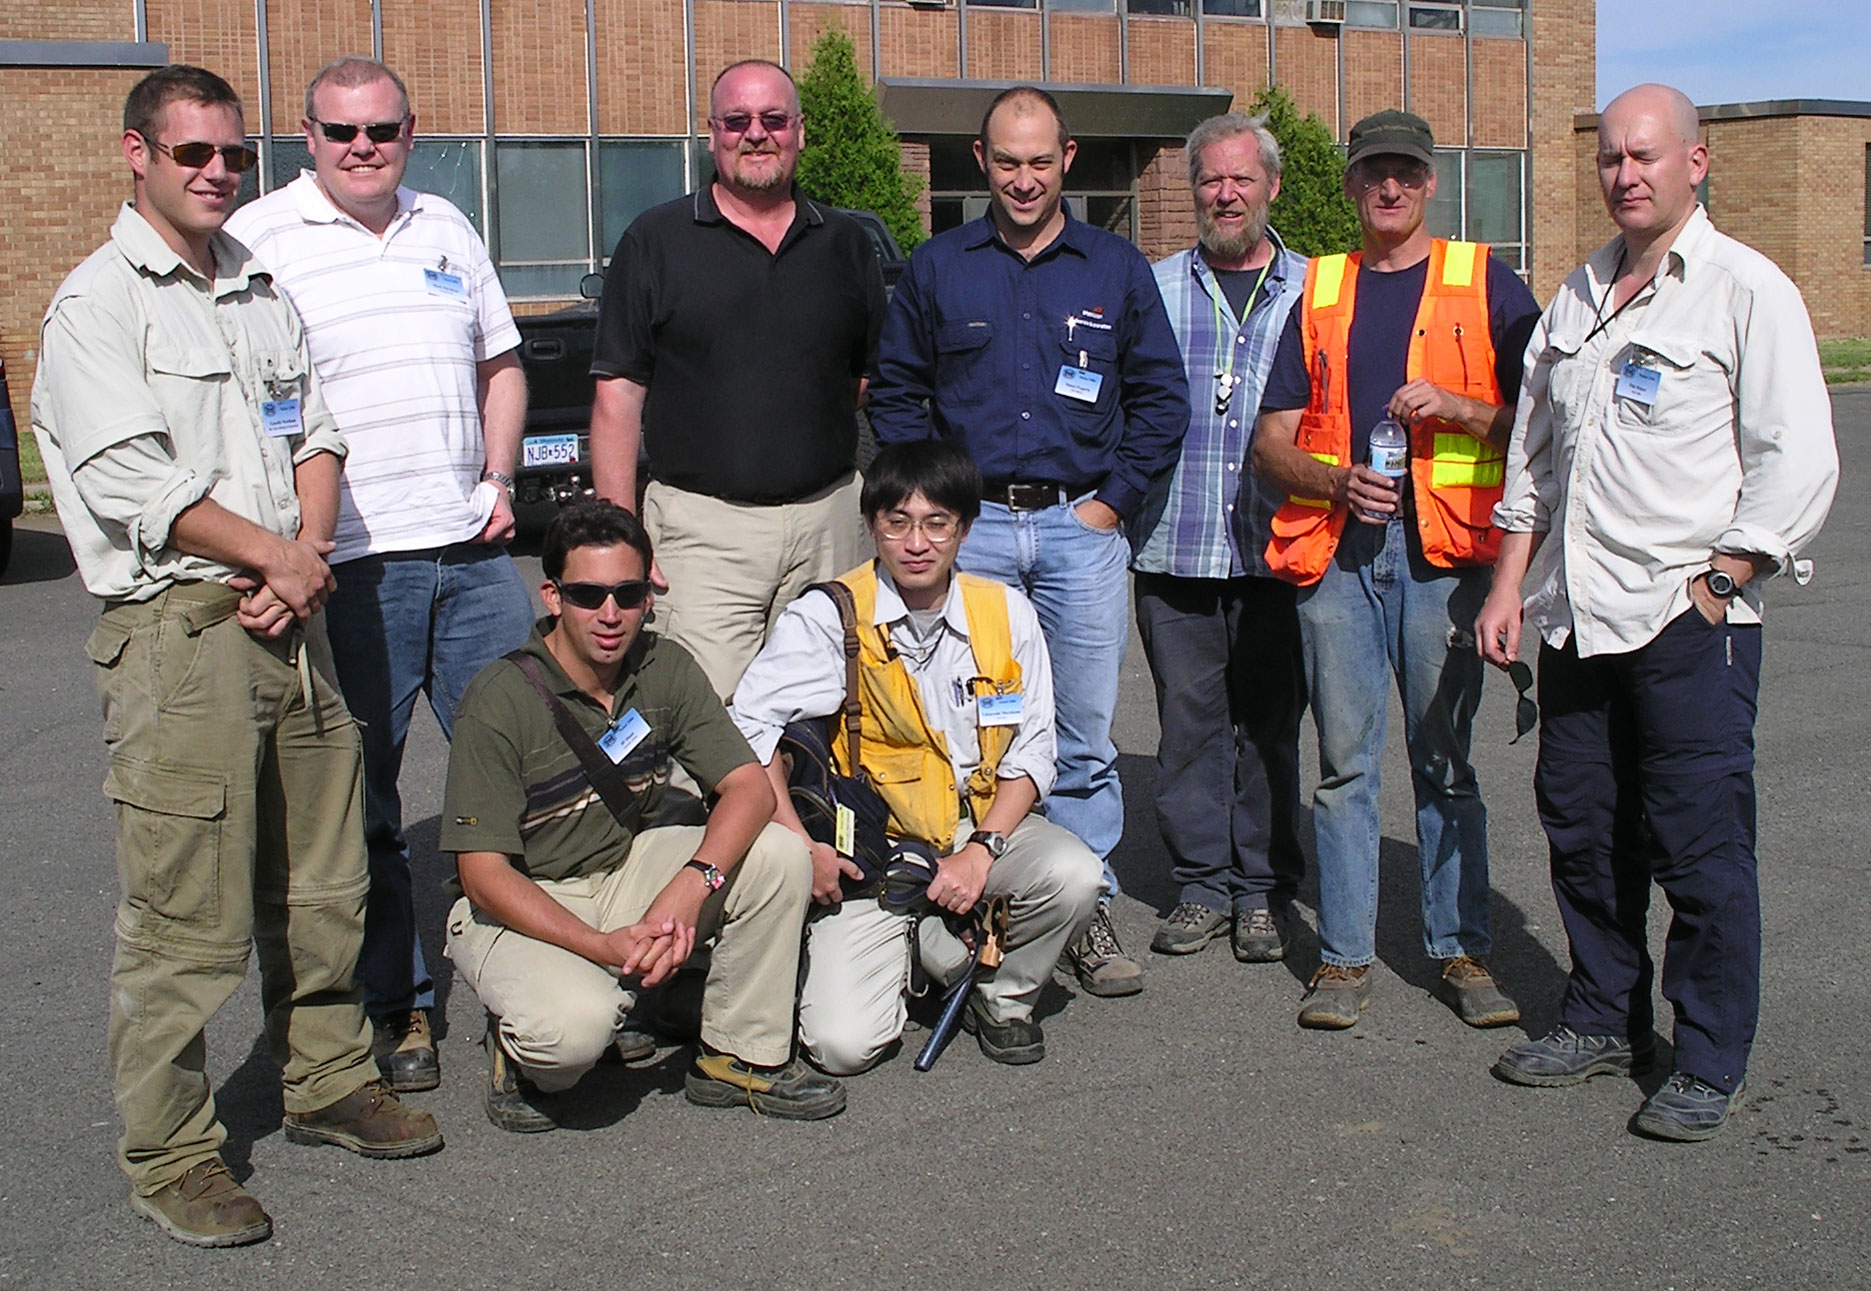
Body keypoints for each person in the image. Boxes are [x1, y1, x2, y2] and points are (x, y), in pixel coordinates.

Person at [30, 65, 440, 1249]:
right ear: (136, 157)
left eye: (232, 155)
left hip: (288, 618)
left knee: (323, 885)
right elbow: (132, 482)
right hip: (185, 630)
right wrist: (279, 558)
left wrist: (305, 553)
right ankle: (171, 1149)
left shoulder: (258, 289)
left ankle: (322, 1081)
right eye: (191, 153)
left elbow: (312, 427)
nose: (216, 172)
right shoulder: (99, 305)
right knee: (185, 913)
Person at [1479, 84, 1838, 1141]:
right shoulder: (1577, 296)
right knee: (1583, 833)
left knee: (1695, 848)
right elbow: (1531, 456)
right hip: (1577, 619)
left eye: (1644, 155)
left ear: (1697, 161)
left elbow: (1798, 458)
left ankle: (1707, 1057)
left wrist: (1723, 579)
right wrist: (1507, 582)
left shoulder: (1741, 290)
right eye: (1610, 159)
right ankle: (1600, 1018)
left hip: (1686, 621)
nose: (1623, 173)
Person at [225, 56, 535, 1094]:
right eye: (342, 131)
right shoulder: (258, 238)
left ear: (411, 131)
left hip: (470, 555)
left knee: (529, 779)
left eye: (384, 131)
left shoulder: (446, 224)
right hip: (352, 570)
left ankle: (534, 988)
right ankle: (398, 1003)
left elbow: (500, 363)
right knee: (366, 803)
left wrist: (498, 479)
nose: (364, 148)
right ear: (305, 136)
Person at [870, 86, 1191, 998]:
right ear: (981, 162)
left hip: (1078, 527)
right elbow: (896, 393)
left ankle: (1082, 910)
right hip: (969, 538)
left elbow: (1160, 398)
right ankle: (969, 898)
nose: (1023, 178)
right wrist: (933, 509)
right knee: (973, 731)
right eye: (1006, 161)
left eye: (1039, 161)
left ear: (1068, 159)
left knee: (1082, 736)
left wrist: (1113, 503)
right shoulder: (939, 268)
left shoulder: (1114, 267)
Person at [1252, 109, 1541, 1031]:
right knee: (1343, 767)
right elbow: (1267, 443)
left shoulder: (1485, 282)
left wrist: (1459, 405)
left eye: (1406, 174)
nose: (1390, 187)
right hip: (1338, 558)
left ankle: (1460, 950)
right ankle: (1342, 959)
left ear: (1428, 185)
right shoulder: (1321, 290)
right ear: (1349, 185)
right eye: (1374, 171)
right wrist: (1334, 481)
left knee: (1445, 762)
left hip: (1443, 562)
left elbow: (1547, 422)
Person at [439, 498, 841, 1129]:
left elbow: (749, 788)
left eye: (627, 594)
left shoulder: (663, 665)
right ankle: (522, 1048)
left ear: (648, 598)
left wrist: (692, 882)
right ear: (552, 596)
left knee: (776, 852)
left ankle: (738, 1056)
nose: (609, 614)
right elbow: (482, 876)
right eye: (588, 594)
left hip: (621, 870)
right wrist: (600, 947)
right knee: (575, 1035)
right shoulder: (499, 698)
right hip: (526, 899)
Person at [731, 442, 1103, 1071]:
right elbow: (751, 730)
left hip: (974, 827)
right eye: (896, 523)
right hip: (871, 846)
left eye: (937, 523)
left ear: (964, 528)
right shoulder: (830, 616)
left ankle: (1000, 995)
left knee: (1075, 874)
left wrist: (981, 852)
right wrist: (803, 849)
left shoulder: (1005, 611)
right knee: (841, 1048)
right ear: (871, 525)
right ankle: (924, 943)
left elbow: (1035, 749)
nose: (916, 543)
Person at [587, 58, 885, 701]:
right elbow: (618, 396)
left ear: (799, 131)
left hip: (829, 526)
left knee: (831, 713)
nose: (756, 133)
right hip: (704, 535)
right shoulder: (656, 240)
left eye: (774, 119)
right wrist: (618, 534)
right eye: (738, 120)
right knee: (701, 725)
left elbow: (861, 377)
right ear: (712, 132)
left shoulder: (846, 244)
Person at [1134, 112, 1309, 963]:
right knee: (1189, 724)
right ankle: (1202, 884)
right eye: (1210, 179)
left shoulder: (1317, 291)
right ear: (1192, 188)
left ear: (1270, 187)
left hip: (1280, 553)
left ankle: (1263, 888)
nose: (1226, 193)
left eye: (1241, 178)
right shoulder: (1153, 288)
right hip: (1174, 546)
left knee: (1270, 725)